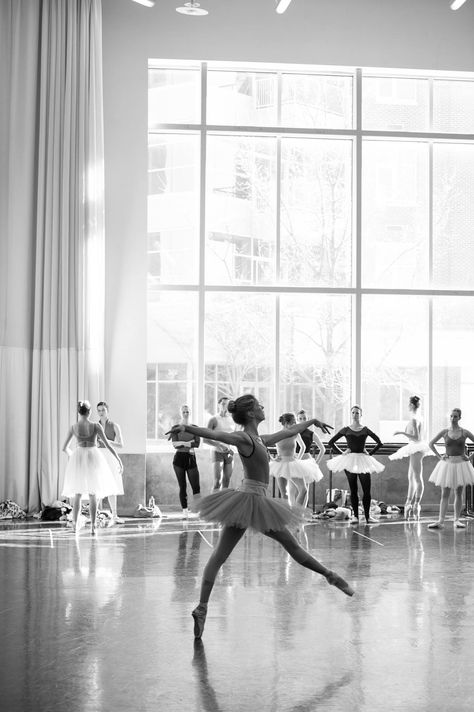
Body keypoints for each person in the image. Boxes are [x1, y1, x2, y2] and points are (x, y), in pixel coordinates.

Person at [167, 394, 354, 641]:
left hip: (251, 500)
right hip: (249, 500)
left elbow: (289, 432)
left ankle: (202, 607)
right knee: (290, 546)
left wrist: (313, 421)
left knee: (221, 556)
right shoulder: (244, 438)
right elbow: (215, 435)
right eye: (259, 406)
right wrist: (186, 427)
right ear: (252, 414)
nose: (263, 407)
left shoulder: (259, 439)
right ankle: (331, 576)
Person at [62, 401, 123, 534]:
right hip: (92, 456)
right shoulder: (95, 426)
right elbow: (108, 445)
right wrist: (118, 459)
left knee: (77, 493)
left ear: (79, 412)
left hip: (78, 456)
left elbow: (64, 448)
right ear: (89, 412)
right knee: (93, 493)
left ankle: (74, 524)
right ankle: (93, 526)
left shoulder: (74, 427)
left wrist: (72, 455)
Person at [326, 405, 384, 525]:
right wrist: (342, 452)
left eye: (357, 413)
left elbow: (379, 443)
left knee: (366, 490)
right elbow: (331, 442)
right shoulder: (346, 429)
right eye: (353, 412)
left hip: (363, 460)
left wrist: (370, 453)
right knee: (353, 490)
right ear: (350, 414)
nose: (355, 415)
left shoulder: (365, 429)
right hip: (350, 460)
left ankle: (368, 517)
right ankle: (356, 517)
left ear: (361, 415)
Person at [427, 408, 474, 530]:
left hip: (461, 465)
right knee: (444, 494)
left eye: (456, 416)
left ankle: (457, 520)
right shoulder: (444, 432)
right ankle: (440, 521)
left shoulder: (464, 432)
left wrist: (469, 457)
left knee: (458, 493)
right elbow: (431, 444)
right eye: (452, 416)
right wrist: (439, 457)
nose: (453, 418)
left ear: (460, 418)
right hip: (447, 464)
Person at [269, 412, 323, 508]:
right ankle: (287, 517)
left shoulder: (295, 433)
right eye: (294, 422)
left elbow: (303, 446)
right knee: (284, 494)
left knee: (303, 490)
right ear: (286, 423)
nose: (296, 424)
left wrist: (297, 458)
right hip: (280, 464)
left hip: (292, 462)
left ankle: (296, 514)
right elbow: (263, 444)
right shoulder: (278, 435)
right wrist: (272, 458)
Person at [389, 395, 430, 520]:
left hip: (416, 448)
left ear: (412, 405)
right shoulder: (418, 418)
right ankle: (409, 503)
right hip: (416, 448)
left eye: (409, 404)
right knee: (412, 477)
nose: (408, 406)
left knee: (417, 477)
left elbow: (417, 438)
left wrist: (401, 432)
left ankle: (416, 504)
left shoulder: (415, 419)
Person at [169, 404, 201, 519]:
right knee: (182, 486)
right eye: (184, 412)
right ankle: (185, 511)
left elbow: (197, 444)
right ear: (180, 413)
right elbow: (175, 445)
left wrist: (182, 443)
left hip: (191, 458)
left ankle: (197, 510)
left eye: (188, 412)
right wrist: (189, 443)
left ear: (190, 412)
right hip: (179, 460)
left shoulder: (194, 427)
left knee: (196, 486)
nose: (186, 414)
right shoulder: (176, 427)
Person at [96, 401, 125, 524]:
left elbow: (121, 445)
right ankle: (95, 514)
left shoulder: (114, 426)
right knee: (97, 485)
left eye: (103, 410)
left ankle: (115, 515)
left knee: (112, 486)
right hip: (98, 456)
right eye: (99, 410)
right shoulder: (95, 426)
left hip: (110, 456)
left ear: (107, 410)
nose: (101, 412)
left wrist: (107, 441)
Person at [204, 397, 235, 490]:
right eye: (223, 404)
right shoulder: (213, 419)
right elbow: (205, 439)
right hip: (217, 452)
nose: (225, 406)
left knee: (227, 480)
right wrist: (219, 445)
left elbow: (235, 437)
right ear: (219, 405)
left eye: (227, 404)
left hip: (229, 452)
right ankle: (213, 504)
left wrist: (234, 448)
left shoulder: (233, 420)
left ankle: (223, 503)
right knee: (218, 481)